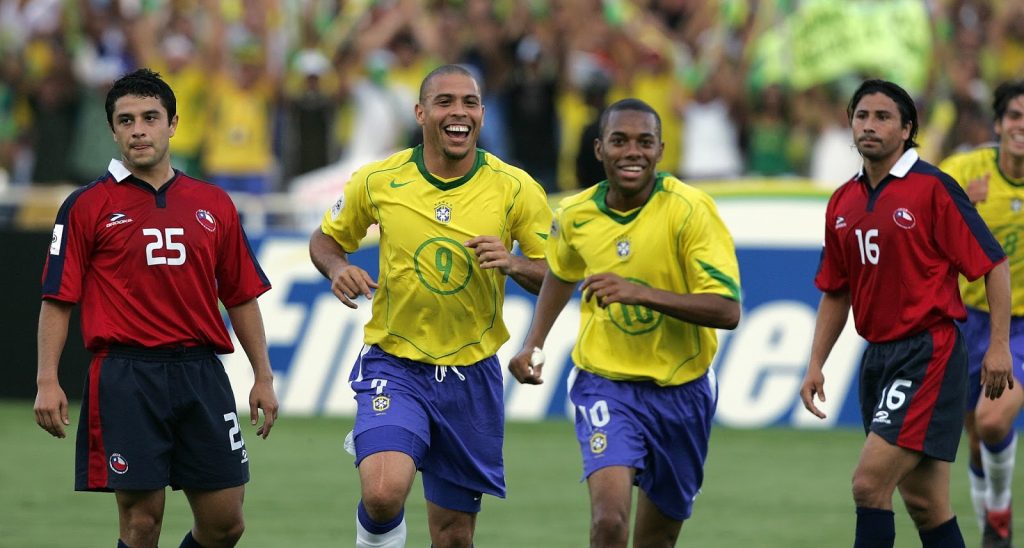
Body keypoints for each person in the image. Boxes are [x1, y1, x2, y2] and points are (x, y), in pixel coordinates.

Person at [33, 68, 278, 548]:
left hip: (201, 373)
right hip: (126, 375)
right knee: (142, 523)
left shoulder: (213, 203)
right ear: (113, 129)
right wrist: (47, 379)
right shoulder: (85, 205)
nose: (138, 129)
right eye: (126, 120)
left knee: (225, 523)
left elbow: (241, 295)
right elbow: (58, 299)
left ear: (173, 124)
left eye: (150, 117)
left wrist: (263, 376)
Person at [308, 63, 551, 548]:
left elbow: (556, 274)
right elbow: (325, 240)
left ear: (481, 113)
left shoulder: (516, 187)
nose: (458, 112)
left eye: (469, 103)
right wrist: (338, 269)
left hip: (472, 374)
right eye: (445, 102)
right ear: (421, 113)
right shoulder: (380, 179)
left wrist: (513, 263)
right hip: (396, 363)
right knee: (382, 492)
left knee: (454, 535)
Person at [508, 98, 742, 547]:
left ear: (660, 150)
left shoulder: (690, 210)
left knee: (656, 540)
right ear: (599, 149)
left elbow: (727, 310)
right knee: (609, 522)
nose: (631, 151)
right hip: (606, 383)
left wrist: (640, 293)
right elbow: (560, 272)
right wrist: (532, 343)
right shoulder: (575, 215)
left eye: (644, 142)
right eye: (619, 141)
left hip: (682, 391)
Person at [800, 79, 1013, 548]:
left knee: (868, 484)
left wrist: (999, 346)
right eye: (861, 116)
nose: (869, 126)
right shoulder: (842, 202)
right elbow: (837, 291)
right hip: (878, 357)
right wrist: (816, 362)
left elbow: (993, 264)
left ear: (907, 129)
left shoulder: (932, 189)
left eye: (882, 117)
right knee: (926, 503)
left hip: (928, 353)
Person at [938, 80, 1024, 548]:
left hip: (1021, 327)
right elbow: (920, 215)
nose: (1022, 126)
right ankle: (995, 530)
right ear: (998, 123)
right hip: (967, 320)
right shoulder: (965, 171)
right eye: (1014, 116)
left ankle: (1000, 510)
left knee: (993, 421)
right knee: (974, 436)